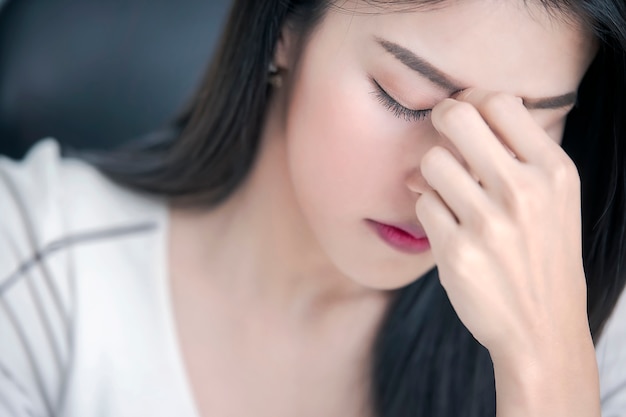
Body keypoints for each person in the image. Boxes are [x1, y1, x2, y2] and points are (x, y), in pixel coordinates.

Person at [1, 0, 625, 416]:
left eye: (527, 129)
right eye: (406, 100)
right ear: (284, 31)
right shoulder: (34, 263)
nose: (447, 184)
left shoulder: (588, 333)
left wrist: (546, 372)